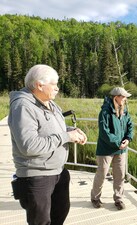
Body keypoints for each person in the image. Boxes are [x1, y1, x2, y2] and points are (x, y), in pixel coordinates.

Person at [8, 64, 87, 225]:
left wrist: (73, 131)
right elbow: (29, 146)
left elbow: (54, 128)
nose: (57, 88)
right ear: (39, 85)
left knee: (59, 215)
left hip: (58, 172)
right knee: (41, 221)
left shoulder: (50, 103)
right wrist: (66, 136)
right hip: (37, 176)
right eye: (54, 84)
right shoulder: (23, 106)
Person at [91, 87, 134, 210]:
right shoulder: (105, 112)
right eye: (124, 97)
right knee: (102, 174)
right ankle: (95, 197)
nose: (125, 99)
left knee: (120, 175)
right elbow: (104, 132)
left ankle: (119, 199)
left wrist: (128, 139)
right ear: (116, 97)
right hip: (106, 150)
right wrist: (117, 143)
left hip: (121, 149)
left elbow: (130, 125)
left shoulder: (124, 110)